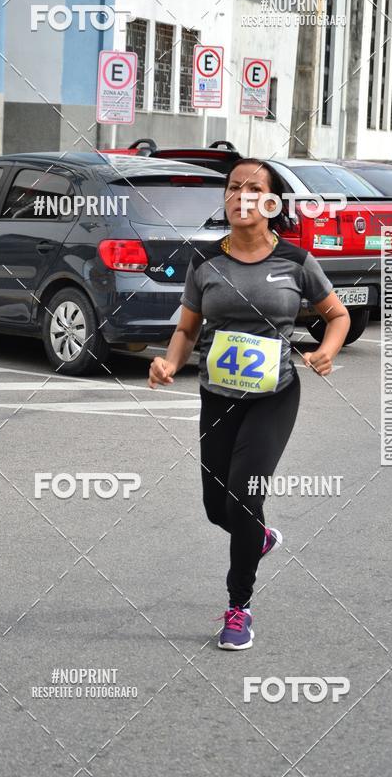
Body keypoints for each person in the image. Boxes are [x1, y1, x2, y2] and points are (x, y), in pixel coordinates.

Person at [148, 158, 351, 650]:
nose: (241, 195)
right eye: (234, 187)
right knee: (217, 508)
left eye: (253, 188)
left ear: (271, 202)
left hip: (273, 397)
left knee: (244, 495)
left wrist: (325, 350)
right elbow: (187, 328)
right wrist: (170, 362)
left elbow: (338, 314)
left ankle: (239, 608)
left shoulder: (296, 263)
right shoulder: (206, 262)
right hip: (216, 396)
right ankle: (256, 537)